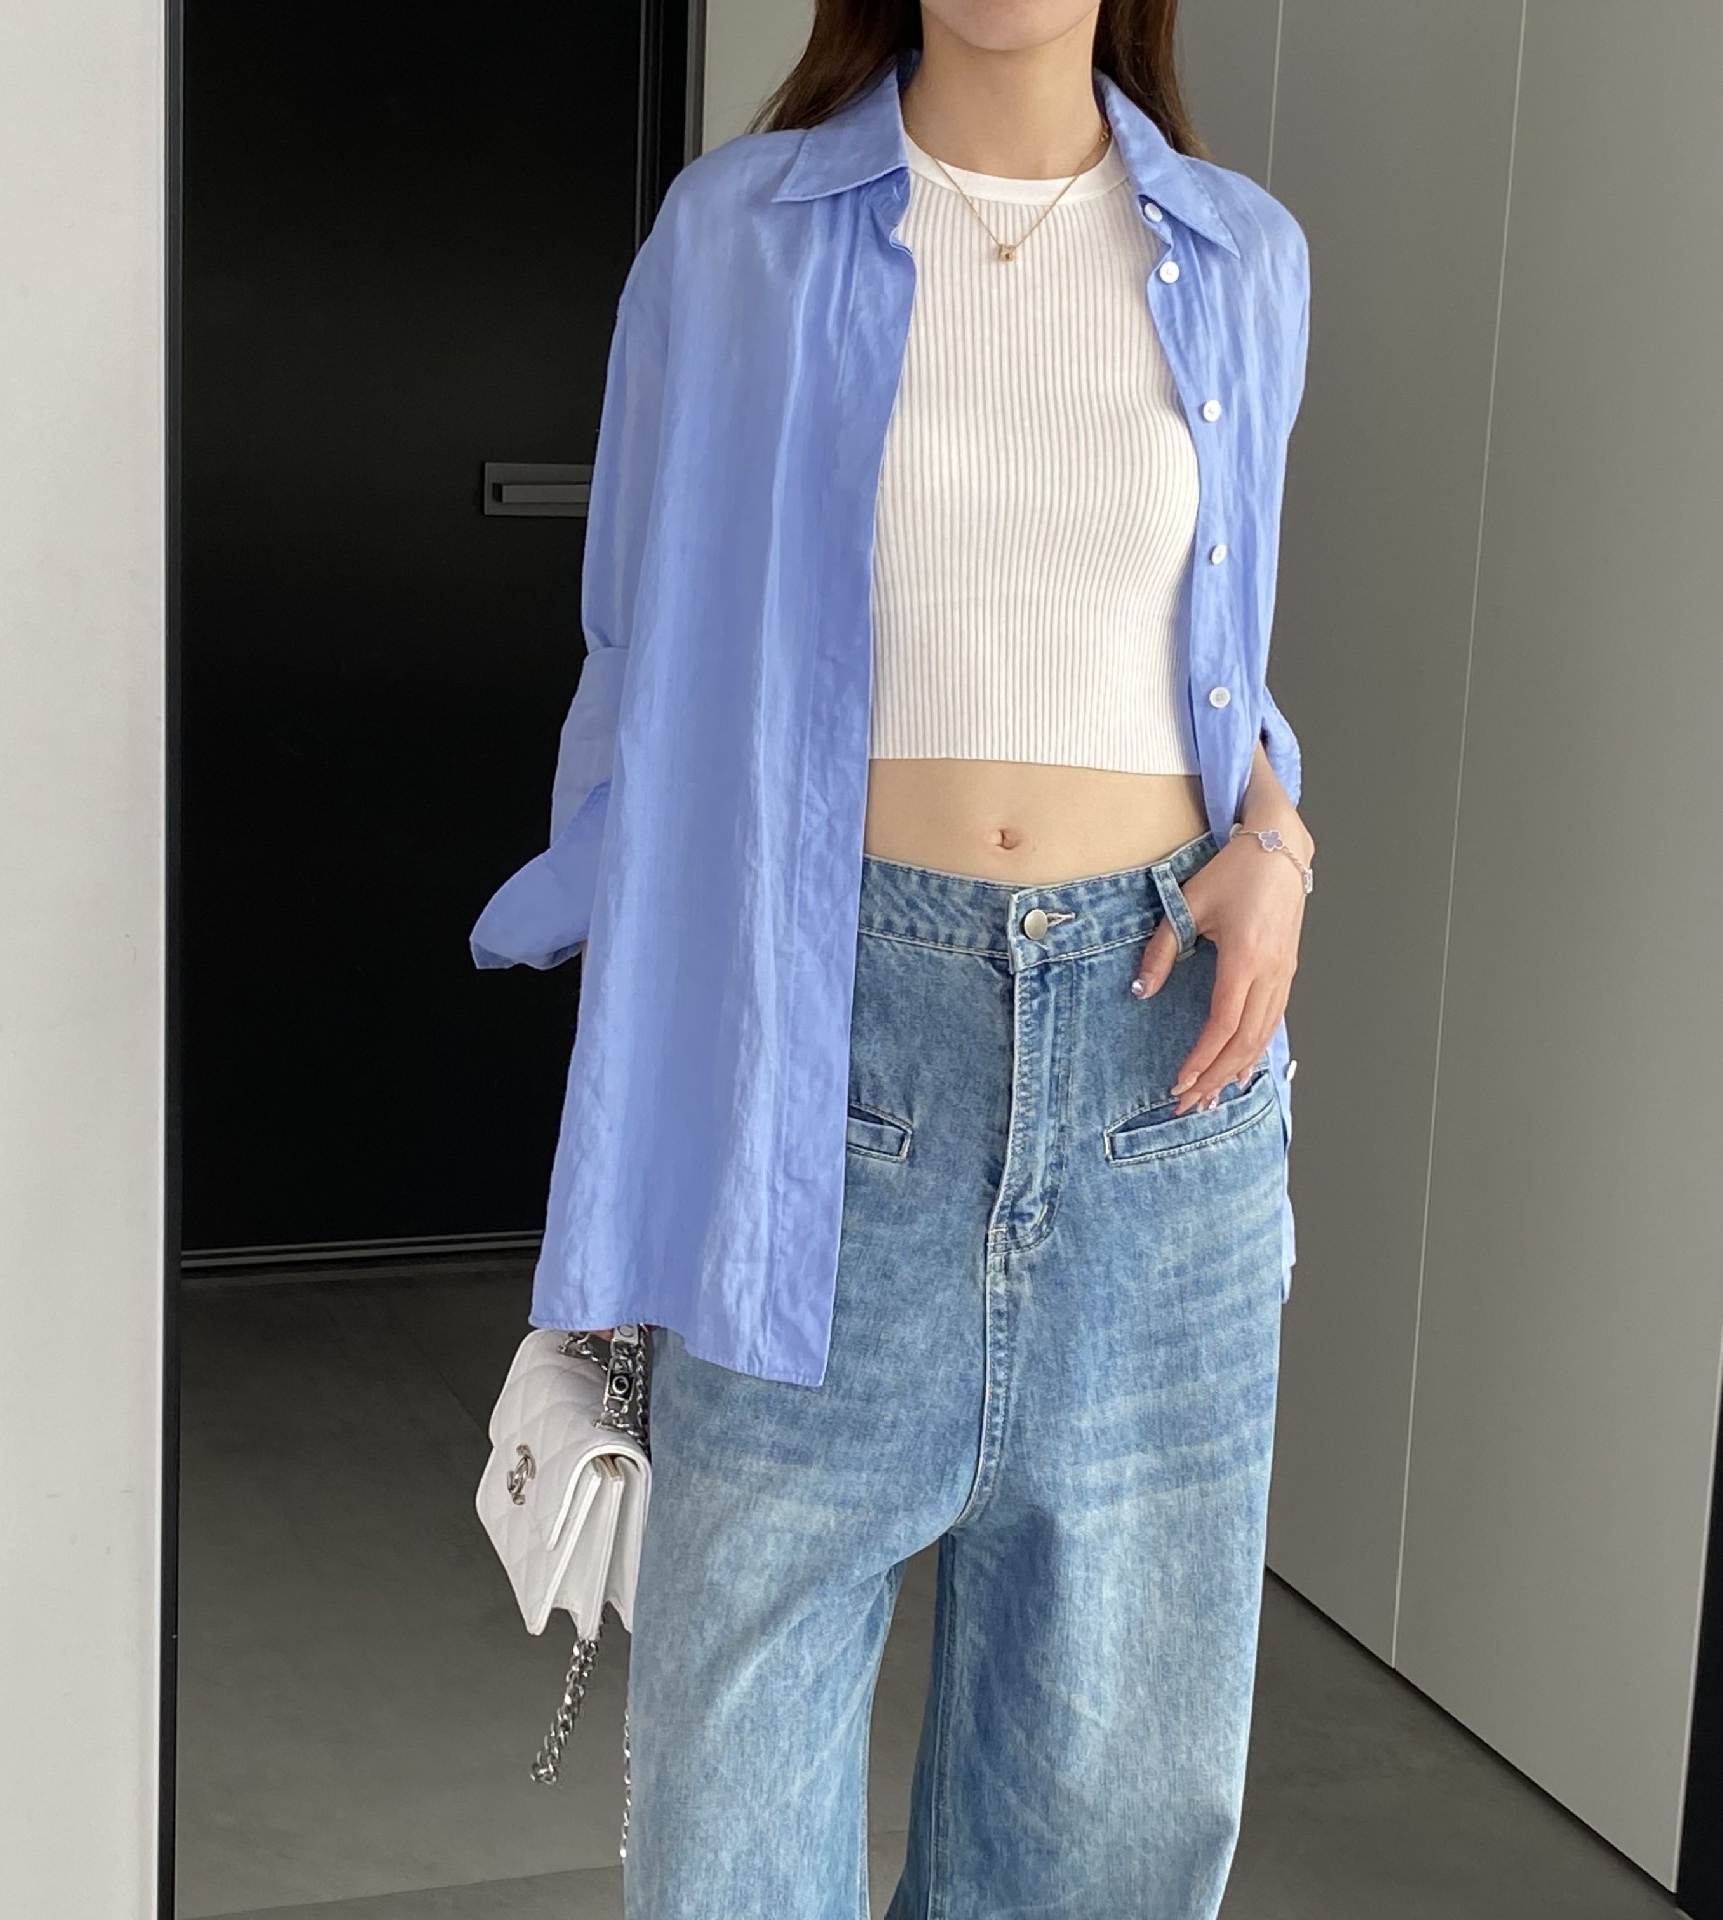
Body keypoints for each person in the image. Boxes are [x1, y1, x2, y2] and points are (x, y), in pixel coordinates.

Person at [470, 2, 1313, 1912]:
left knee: (1103, 1829)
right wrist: (634, 1050)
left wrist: (1279, 842)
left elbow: (1223, 660)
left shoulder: (1245, 254)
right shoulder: (736, 237)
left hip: (1158, 1074)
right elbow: (644, 646)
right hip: (823, 1057)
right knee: (732, 1830)